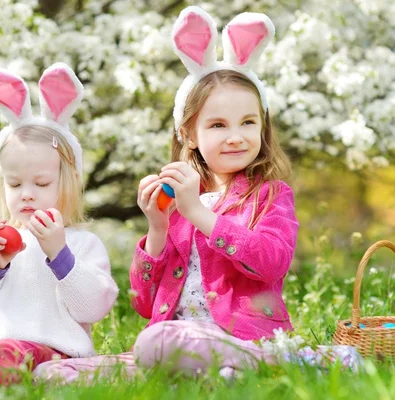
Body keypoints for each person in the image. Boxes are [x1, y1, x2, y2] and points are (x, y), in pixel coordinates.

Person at [34, 7, 360, 383]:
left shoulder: (270, 195)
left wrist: (197, 213)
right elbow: (142, 302)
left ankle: (273, 360)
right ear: (188, 134)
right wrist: (157, 227)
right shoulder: (177, 200)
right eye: (218, 125)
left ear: (263, 125)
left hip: (239, 336)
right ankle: (222, 374)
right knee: (51, 373)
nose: (235, 136)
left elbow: (271, 262)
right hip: (170, 341)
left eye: (248, 123)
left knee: (158, 342)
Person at [0, 63, 119, 389]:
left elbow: (94, 307)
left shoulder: (82, 244)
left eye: (41, 183)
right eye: (14, 185)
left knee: (6, 358)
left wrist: (60, 255)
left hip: (53, 358)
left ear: (68, 183)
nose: (27, 194)